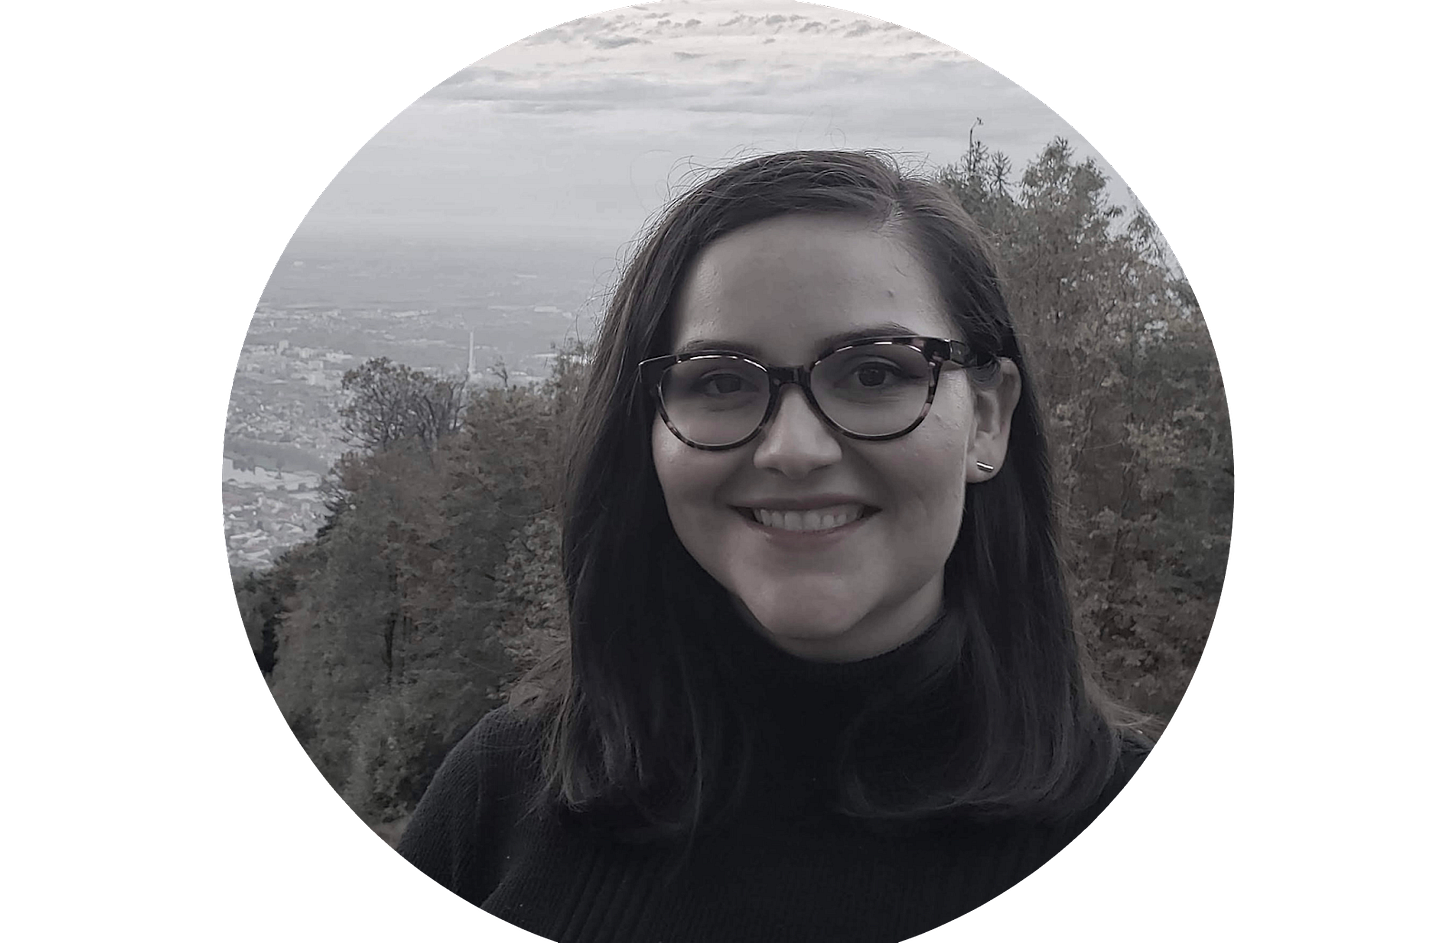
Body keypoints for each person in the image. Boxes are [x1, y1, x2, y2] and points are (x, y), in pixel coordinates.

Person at [394, 150, 1157, 942]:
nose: (794, 449)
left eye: (873, 373)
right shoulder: (499, 796)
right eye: (721, 380)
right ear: (648, 432)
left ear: (988, 419)